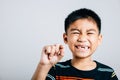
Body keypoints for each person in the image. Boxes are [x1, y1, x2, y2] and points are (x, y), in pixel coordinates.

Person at [32, 8, 118, 80]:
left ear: (99, 39)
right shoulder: (56, 70)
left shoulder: (107, 73)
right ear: (66, 38)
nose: (82, 38)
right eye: (76, 32)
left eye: (90, 33)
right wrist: (43, 65)